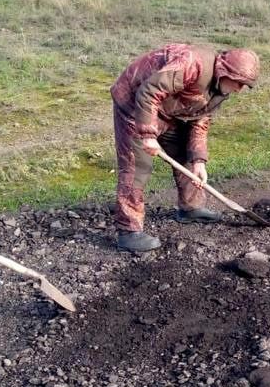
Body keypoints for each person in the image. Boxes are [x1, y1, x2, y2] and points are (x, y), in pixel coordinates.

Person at [110, 43, 260, 253]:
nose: (240, 90)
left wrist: (199, 160)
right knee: (137, 167)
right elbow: (148, 92)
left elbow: (200, 120)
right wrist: (148, 134)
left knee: (187, 156)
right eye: (239, 83)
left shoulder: (221, 89)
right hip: (134, 106)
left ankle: (191, 208)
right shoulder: (192, 63)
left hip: (172, 112)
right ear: (225, 72)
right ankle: (129, 232)